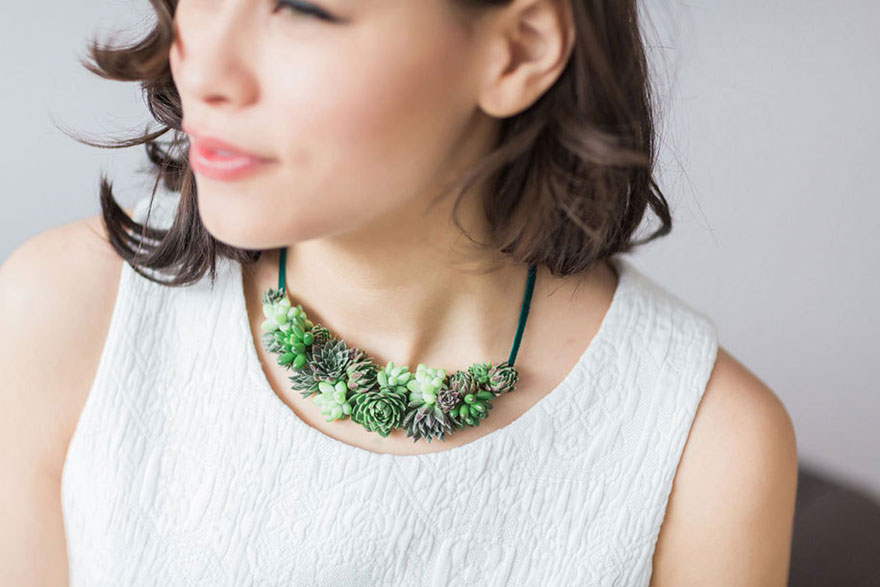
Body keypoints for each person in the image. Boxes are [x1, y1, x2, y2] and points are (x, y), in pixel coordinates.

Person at [0, 0, 798, 585]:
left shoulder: (706, 452)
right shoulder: (67, 315)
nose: (202, 68)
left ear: (517, 50)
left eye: (302, 9)